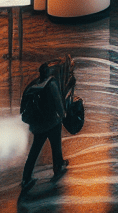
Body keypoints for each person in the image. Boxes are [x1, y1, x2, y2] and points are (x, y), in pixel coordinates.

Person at [20, 63, 68, 192]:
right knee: (56, 145)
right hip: (52, 123)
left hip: (38, 126)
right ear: (48, 72)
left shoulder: (33, 85)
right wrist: (63, 115)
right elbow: (58, 102)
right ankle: (58, 166)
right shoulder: (51, 84)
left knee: (34, 151)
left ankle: (26, 178)